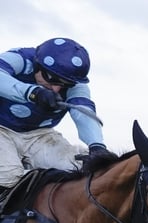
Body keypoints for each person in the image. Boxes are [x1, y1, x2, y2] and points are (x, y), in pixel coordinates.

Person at [0, 37, 114, 189]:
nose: (56, 89)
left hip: (39, 134)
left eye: (64, 85)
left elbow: (83, 112)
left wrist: (97, 146)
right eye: (52, 79)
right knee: (9, 177)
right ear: (38, 66)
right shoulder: (20, 57)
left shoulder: (77, 84)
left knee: (78, 169)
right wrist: (33, 92)